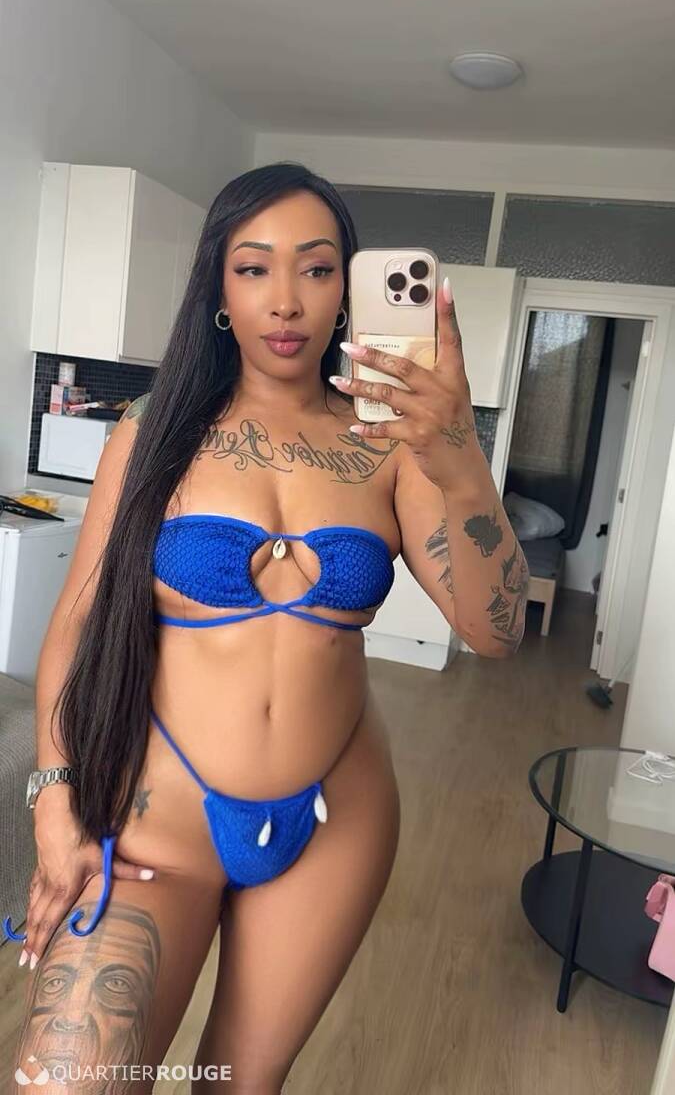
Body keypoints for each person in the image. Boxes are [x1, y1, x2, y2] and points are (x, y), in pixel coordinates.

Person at [8, 162, 528, 1094]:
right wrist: (54, 797)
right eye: (253, 269)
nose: (285, 300)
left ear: (346, 290)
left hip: (333, 823)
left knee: (240, 1084)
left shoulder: (390, 447)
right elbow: (76, 627)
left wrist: (458, 458)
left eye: (316, 269)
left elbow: (494, 631)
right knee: (68, 1081)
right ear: (219, 289)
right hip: (155, 821)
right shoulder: (153, 431)